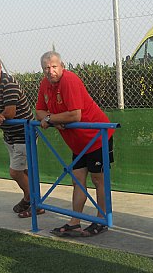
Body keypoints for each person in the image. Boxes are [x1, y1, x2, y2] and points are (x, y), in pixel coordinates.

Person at [35, 51, 114, 237]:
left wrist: (51, 119)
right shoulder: (44, 84)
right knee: (77, 180)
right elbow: (38, 110)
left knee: (98, 180)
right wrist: (51, 119)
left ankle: (101, 220)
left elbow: (75, 115)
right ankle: (75, 221)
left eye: (54, 66)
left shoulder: (69, 80)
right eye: (47, 68)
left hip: (96, 137)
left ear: (62, 66)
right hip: (78, 143)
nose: (51, 71)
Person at [0, 53, 44, 218]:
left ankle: (32, 201)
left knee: (15, 172)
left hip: (24, 132)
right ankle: (34, 202)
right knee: (25, 171)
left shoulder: (9, 83)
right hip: (9, 135)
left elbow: (10, 113)